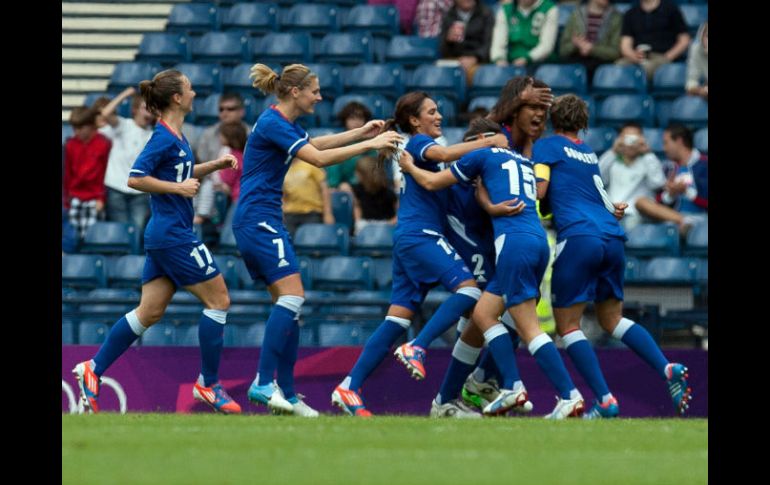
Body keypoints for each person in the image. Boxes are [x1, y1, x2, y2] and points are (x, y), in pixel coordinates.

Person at [234, 63, 402, 416]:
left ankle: (290, 396)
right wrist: (370, 143)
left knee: (289, 307)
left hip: (261, 220)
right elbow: (319, 159)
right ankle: (264, 383)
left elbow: (313, 144)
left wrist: (358, 134)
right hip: (259, 220)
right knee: (294, 296)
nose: (320, 96)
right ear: (296, 92)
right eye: (315, 90)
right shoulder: (273, 122)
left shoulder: (280, 123)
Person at [72, 69, 242, 415]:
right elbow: (136, 178)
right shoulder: (163, 137)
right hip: (173, 235)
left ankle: (94, 368)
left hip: (164, 235)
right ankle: (208, 383)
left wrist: (213, 165)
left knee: (149, 311)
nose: (195, 92)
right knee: (219, 299)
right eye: (189, 88)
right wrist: (179, 190)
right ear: (177, 98)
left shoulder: (174, 136)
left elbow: (180, 173)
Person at [331, 91, 509, 417]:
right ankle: (417, 347)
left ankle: (349, 386)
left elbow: (447, 176)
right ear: (415, 120)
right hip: (421, 235)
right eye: (432, 111)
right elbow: (445, 151)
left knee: (396, 320)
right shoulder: (418, 144)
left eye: (438, 110)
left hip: (408, 239)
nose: (439, 116)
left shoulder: (423, 156)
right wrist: (489, 143)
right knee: (469, 290)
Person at [398, 117, 588, 419]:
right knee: (485, 314)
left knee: (528, 328)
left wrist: (408, 167)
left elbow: (433, 182)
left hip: (513, 243)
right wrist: (488, 205)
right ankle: (488, 389)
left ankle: (546, 391)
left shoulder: (482, 153)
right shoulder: (523, 162)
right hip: (540, 240)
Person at [532, 94, 692, 417]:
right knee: (611, 319)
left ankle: (605, 399)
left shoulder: (546, 147)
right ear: (584, 124)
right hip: (612, 236)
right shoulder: (588, 153)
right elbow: (604, 198)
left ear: (552, 120)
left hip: (579, 237)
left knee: (568, 326)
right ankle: (665, 367)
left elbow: (540, 190)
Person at [98, 87, 155, 236]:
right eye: (145, 108)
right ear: (135, 110)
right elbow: (105, 113)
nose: (148, 112)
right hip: (116, 187)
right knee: (119, 233)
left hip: (140, 192)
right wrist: (125, 94)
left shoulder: (154, 135)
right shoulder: (124, 125)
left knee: (137, 233)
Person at [598, 122, 669, 231]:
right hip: (613, 213)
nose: (630, 143)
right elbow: (598, 176)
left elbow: (658, 183)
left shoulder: (647, 161)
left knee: (631, 225)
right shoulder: (613, 161)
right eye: (626, 138)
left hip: (636, 215)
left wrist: (647, 153)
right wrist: (613, 151)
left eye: (634, 138)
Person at [64, 106, 111, 240]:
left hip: (95, 198)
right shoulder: (70, 145)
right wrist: (67, 200)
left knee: (93, 237)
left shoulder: (103, 143)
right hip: (75, 197)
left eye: (80, 128)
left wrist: (101, 198)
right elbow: (67, 174)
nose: (76, 132)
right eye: (74, 128)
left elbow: (105, 173)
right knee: (72, 238)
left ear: (91, 126)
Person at [617, 0, 690, 80]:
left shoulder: (671, 9)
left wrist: (667, 57)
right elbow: (625, 44)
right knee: (618, 67)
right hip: (638, 56)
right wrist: (633, 55)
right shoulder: (630, 13)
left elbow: (684, 40)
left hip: (661, 56)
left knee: (646, 68)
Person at [559, 0, 622, 82]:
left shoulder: (616, 17)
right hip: (575, 61)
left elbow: (615, 52)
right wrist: (576, 44)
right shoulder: (576, 15)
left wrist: (591, 49)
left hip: (602, 65)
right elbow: (563, 50)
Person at [657, 123, 708, 223]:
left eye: (666, 143)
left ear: (679, 141)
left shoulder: (704, 164)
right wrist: (670, 194)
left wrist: (686, 191)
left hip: (700, 221)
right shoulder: (668, 168)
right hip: (672, 220)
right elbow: (658, 203)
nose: (664, 149)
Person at [438, 0, 495, 84]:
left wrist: (475, 57)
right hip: (455, 60)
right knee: (438, 75)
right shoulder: (448, 15)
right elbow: (442, 50)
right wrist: (448, 40)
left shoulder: (486, 13)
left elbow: (488, 43)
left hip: (479, 61)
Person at [490, 0, 558, 68]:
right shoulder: (505, 10)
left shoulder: (549, 8)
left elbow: (546, 45)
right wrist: (499, 58)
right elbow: (498, 42)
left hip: (541, 64)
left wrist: (527, 58)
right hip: (511, 63)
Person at [328, 101, 376, 194]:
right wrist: (338, 185)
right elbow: (334, 174)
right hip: (345, 188)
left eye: (360, 118)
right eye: (352, 118)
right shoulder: (338, 142)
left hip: (368, 188)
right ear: (345, 120)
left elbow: (373, 171)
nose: (356, 122)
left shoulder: (372, 143)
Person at [351, 155, 398, 235]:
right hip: (365, 226)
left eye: (357, 172)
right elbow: (357, 208)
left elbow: (398, 213)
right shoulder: (356, 190)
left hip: (386, 227)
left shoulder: (388, 192)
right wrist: (359, 223)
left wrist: (388, 224)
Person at [685, 22, 707, 99]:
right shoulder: (695, 49)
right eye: (707, 36)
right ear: (701, 37)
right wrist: (700, 91)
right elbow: (691, 83)